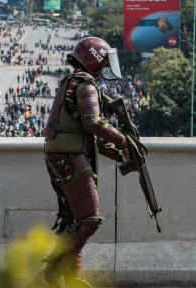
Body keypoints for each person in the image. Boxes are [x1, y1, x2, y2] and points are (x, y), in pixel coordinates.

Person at [42, 36, 130, 286]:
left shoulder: (69, 82)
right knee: (90, 219)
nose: (104, 69)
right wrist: (125, 141)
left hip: (58, 155)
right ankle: (54, 271)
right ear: (96, 60)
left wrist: (117, 152)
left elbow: (85, 132)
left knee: (73, 219)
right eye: (103, 63)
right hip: (70, 157)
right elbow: (93, 124)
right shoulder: (85, 85)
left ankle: (73, 278)